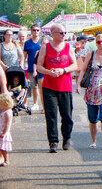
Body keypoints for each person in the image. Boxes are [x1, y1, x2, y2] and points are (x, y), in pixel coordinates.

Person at [37, 24, 78, 153]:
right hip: (49, 86)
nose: (63, 35)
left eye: (64, 33)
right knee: (51, 115)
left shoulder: (68, 46)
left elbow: (75, 65)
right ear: (53, 33)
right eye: (61, 33)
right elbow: (38, 66)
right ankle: (53, 141)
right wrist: (49, 72)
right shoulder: (45, 47)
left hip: (65, 86)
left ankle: (66, 137)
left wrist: (63, 70)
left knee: (66, 114)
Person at [76, 33, 102, 150]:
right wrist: (78, 84)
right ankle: (94, 141)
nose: (101, 44)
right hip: (91, 90)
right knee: (92, 118)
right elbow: (83, 70)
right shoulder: (91, 55)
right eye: (99, 42)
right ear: (96, 43)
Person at [23, 25, 42, 110]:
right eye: (34, 30)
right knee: (34, 87)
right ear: (31, 31)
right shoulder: (27, 43)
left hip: (42, 68)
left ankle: (44, 106)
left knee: (43, 88)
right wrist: (22, 66)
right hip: (31, 68)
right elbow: (24, 56)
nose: (36, 32)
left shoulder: (43, 42)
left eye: (37, 30)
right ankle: (36, 104)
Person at [0, 92, 14, 166]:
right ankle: (2, 159)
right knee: (1, 147)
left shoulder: (7, 113)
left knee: (3, 148)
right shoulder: (5, 112)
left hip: (3, 132)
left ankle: (6, 160)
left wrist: (3, 133)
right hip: (1, 131)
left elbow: (7, 124)